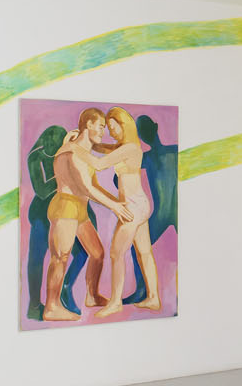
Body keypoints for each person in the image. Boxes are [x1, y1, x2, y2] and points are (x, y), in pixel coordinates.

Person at [43, 108, 130, 322]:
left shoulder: (82, 152)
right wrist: (114, 206)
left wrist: (117, 201)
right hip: (66, 207)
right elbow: (86, 188)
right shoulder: (71, 152)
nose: (103, 131)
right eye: (100, 126)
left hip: (79, 210)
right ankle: (51, 307)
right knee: (60, 256)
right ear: (89, 124)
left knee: (97, 253)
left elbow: (94, 186)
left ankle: (92, 295)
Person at [85, 106, 162, 316]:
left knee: (116, 254)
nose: (111, 132)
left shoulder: (129, 148)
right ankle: (154, 298)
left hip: (133, 207)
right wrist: (88, 140)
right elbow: (103, 148)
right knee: (144, 252)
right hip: (139, 204)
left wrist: (76, 149)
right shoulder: (127, 147)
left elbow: (99, 164)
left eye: (113, 127)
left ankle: (115, 302)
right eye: (109, 128)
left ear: (124, 125)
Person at [25, 124, 90, 319]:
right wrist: (64, 171)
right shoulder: (35, 157)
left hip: (66, 210)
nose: (53, 147)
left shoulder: (67, 154)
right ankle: (34, 305)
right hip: (42, 213)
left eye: (58, 144)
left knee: (84, 252)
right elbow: (42, 191)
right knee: (37, 258)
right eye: (51, 144)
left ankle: (65, 288)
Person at [120, 113, 176, 304]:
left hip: (164, 213)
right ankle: (142, 291)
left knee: (138, 247)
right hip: (169, 213)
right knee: (139, 246)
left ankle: (142, 290)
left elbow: (120, 174)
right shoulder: (173, 151)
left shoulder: (150, 157)